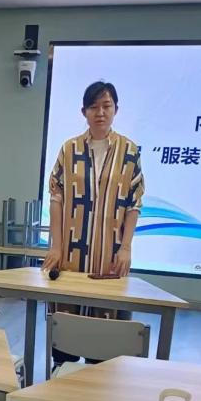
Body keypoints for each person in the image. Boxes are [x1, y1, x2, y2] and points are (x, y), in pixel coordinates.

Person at [44, 81, 145, 278]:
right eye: (93, 107)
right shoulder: (69, 149)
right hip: (71, 254)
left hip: (111, 257)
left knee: (107, 297)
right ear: (84, 112)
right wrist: (56, 246)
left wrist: (126, 247)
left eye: (106, 106)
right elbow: (56, 198)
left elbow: (134, 204)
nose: (100, 113)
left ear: (116, 109)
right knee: (67, 298)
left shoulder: (129, 151)